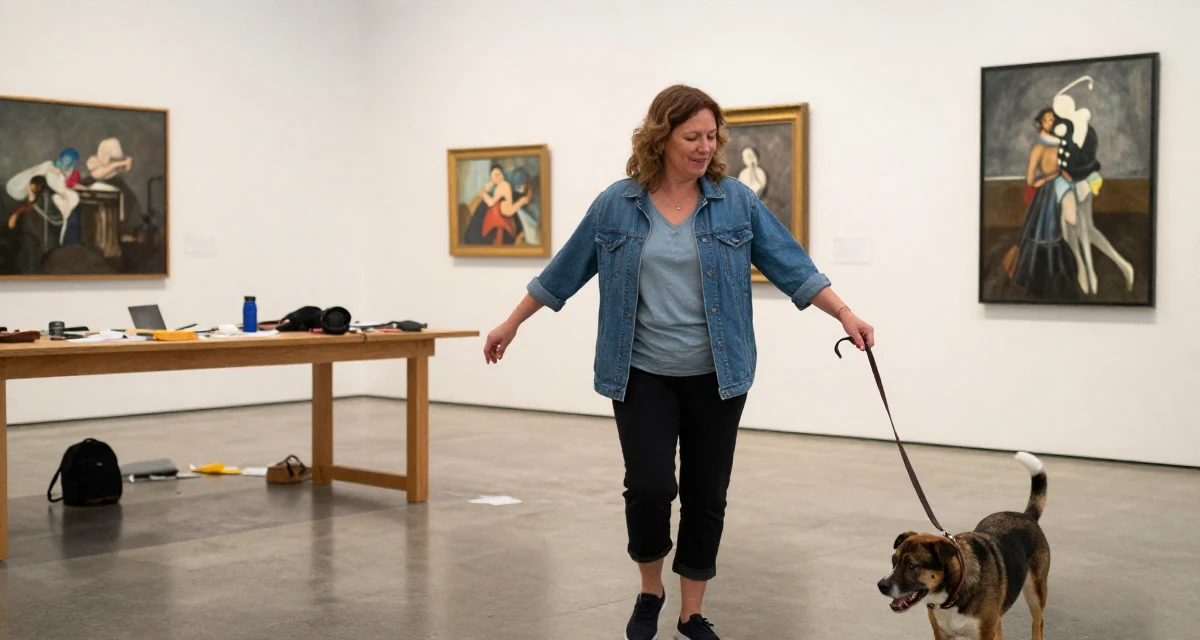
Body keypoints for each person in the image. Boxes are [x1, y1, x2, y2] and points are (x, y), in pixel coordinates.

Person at [482, 84, 874, 640]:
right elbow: (563, 272)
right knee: (648, 488)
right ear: (661, 137)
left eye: (713, 137)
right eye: (693, 136)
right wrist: (511, 323)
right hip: (640, 372)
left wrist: (845, 315)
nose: (705, 148)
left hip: (719, 373)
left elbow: (793, 266)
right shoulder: (615, 204)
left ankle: (691, 613)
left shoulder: (735, 200)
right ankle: (650, 590)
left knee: (705, 494)